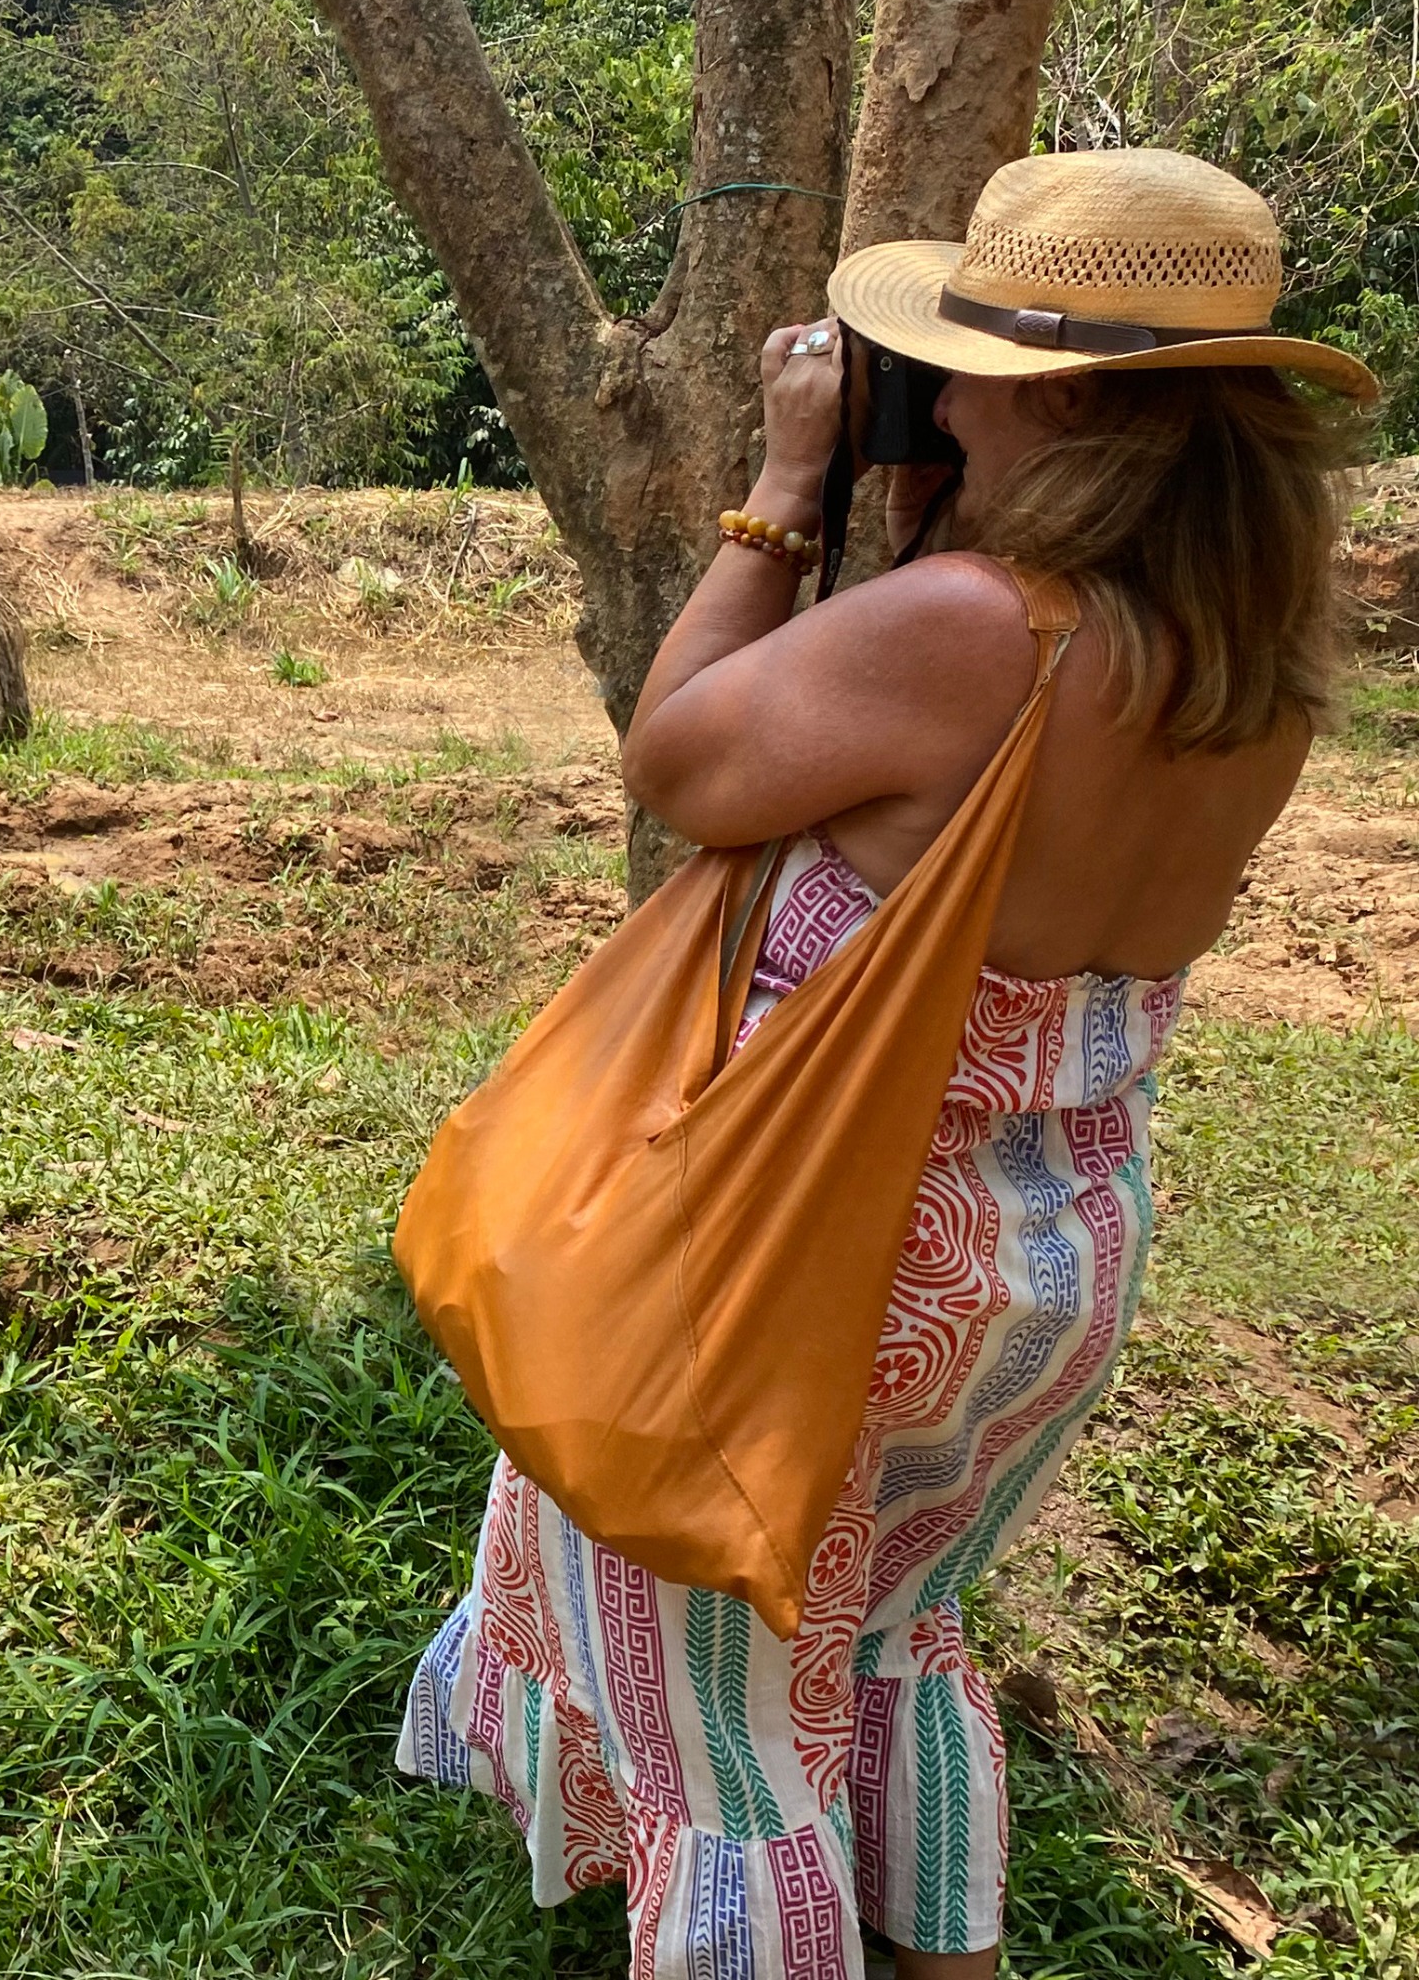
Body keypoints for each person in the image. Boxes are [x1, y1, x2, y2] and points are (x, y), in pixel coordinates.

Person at [395, 148, 1379, 1980]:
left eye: (970, 361)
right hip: (1051, 1250)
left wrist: (781, 488)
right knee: (892, 1642)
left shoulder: (974, 629)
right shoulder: (1251, 662)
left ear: (1065, 401)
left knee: (731, 1750)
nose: (934, 387)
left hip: (829, 1253)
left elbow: (681, 762)